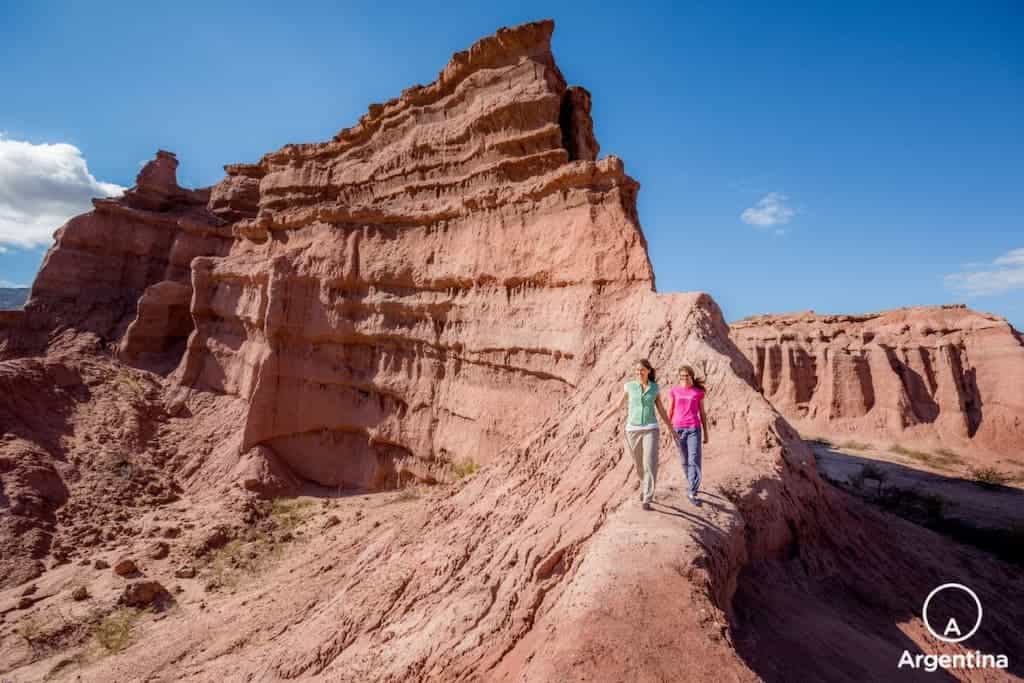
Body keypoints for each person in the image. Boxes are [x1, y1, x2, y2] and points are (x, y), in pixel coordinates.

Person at [613, 359, 672, 510]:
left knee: (650, 463)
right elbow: (618, 406)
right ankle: (644, 485)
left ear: (648, 371)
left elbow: (661, 409)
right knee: (639, 465)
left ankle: (647, 497)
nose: (639, 372)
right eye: (637, 370)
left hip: (651, 428)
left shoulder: (655, 388)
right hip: (632, 430)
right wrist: (600, 420)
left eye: (642, 370)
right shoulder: (629, 386)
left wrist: (670, 427)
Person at [668, 364, 709, 506]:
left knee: (694, 460)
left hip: (694, 429)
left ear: (691, 376)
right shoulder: (674, 391)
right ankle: (691, 481)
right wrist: (669, 429)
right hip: (678, 429)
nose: (684, 378)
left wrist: (706, 433)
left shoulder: (698, 392)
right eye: (682, 376)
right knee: (684, 460)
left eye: (686, 375)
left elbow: (702, 413)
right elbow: (670, 410)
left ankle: (692, 491)